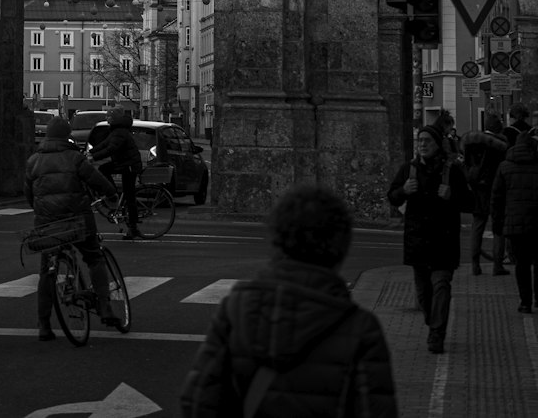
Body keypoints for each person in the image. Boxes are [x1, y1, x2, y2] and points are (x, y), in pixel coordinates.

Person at [179, 184, 397, 417]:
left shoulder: (236, 309)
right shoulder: (361, 330)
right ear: (340, 249)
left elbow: (199, 402)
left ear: (278, 241)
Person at [24, 116, 119, 342]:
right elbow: (97, 181)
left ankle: (44, 325)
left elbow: (30, 196)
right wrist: (111, 194)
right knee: (94, 258)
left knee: (47, 271)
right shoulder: (74, 158)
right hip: (77, 221)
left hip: (48, 226)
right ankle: (105, 306)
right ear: (67, 136)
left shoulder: (33, 161)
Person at [386, 122, 473, 353]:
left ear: (437, 145)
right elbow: (392, 197)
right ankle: (433, 322)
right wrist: (403, 191)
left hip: (444, 241)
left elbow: (471, 202)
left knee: (441, 286)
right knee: (424, 294)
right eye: (419, 141)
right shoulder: (409, 170)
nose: (422, 145)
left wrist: (452, 195)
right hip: (418, 242)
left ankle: (437, 333)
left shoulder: (452, 171)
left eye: (427, 141)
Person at [490, 126, 538, 312]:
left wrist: (497, 222)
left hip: (514, 224)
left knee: (522, 264)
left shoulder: (505, 166)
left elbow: (497, 198)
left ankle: (525, 301)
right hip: (536, 222)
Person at [461, 117, 508, 275]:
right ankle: (498, 265)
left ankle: (475, 264)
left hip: (476, 188)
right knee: (498, 227)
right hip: (495, 188)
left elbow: (465, 163)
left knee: (478, 225)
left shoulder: (470, 142)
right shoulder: (499, 146)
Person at [90, 106, 144, 239]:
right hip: (123, 163)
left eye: (109, 116)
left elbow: (111, 148)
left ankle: (133, 227)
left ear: (114, 119)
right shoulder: (116, 130)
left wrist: (94, 157)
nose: (107, 118)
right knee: (104, 169)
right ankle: (113, 193)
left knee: (129, 195)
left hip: (129, 165)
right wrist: (90, 152)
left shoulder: (119, 131)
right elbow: (105, 144)